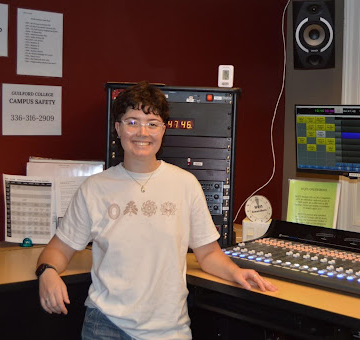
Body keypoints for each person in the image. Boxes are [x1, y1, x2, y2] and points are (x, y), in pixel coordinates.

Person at [36, 81, 277, 339]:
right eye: (132, 121)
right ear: (118, 128)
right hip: (106, 326)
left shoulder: (186, 184)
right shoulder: (94, 188)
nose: (143, 131)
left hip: (169, 330)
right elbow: (58, 249)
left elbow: (208, 254)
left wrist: (236, 272)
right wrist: (47, 273)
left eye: (152, 123)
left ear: (163, 130)